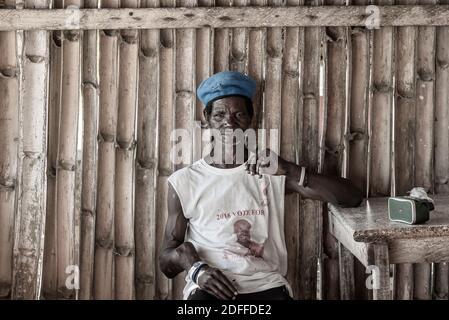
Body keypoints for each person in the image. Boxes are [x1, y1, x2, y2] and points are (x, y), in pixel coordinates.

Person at [159, 71, 363, 300]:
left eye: (239, 115)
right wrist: (194, 266)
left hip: (266, 288)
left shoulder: (269, 170)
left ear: (251, 118)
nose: (229, 123)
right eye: (219, 115)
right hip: (207, 291)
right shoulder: (185, 181)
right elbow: (166, 264)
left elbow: (352, 197)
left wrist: (290, 169)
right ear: (206, 118)